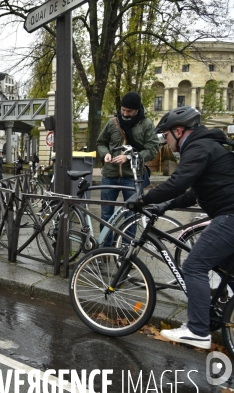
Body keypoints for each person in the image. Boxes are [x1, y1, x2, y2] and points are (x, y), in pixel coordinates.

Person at [125, 106, 234, 350]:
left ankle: (197, 330)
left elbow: (178, 182)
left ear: (179, 130)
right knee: (226, 268)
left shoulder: (197, 147)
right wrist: (164, 205)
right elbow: (194, 192)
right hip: (227, 215)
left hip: (230, 217)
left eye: (166, 135)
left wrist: (143, 199)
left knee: (194, 265)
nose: (165, 140)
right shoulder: (207, 146)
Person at [96, 91, 159, 246]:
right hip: (110, 174)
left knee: (131, 216)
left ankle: (125, 251)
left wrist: (129, 156)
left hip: (132, 177)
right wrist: (105, 154)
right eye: (123, 110)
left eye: (129, 111)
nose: (125, 113)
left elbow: (152, 150)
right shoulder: (112, 123)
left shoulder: (146, 124)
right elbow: (101, 142)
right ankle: (104, 249)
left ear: (137, 110)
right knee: (106, 214)